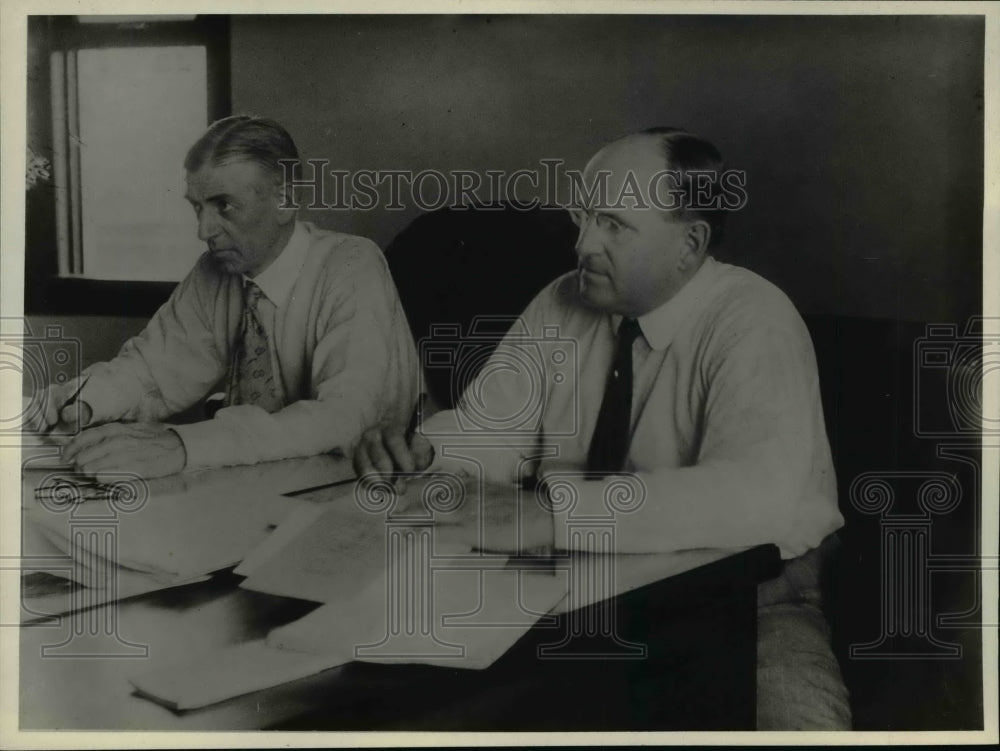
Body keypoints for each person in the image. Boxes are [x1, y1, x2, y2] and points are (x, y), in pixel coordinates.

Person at [354, 127, 851, 729]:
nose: (583, 243)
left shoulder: (754, 318)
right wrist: (428, 448)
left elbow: (756, 496)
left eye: (614, 224)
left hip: (753, 595)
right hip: (582, 583)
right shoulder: (564, 299)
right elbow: (495, 428)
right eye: (583, 215)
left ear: (689, 244)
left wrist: (553, 514)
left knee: (797, 731)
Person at [33, 115, 418, 478]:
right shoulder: (215, 271)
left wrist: (183, 445)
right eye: (197, 208)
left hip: (360, 488)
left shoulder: (352, 263)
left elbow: (345, 418)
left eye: (224, 206)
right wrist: (82, 402)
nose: (203, 230)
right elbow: (152, 370)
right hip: (255, 482)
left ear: (284, 200)